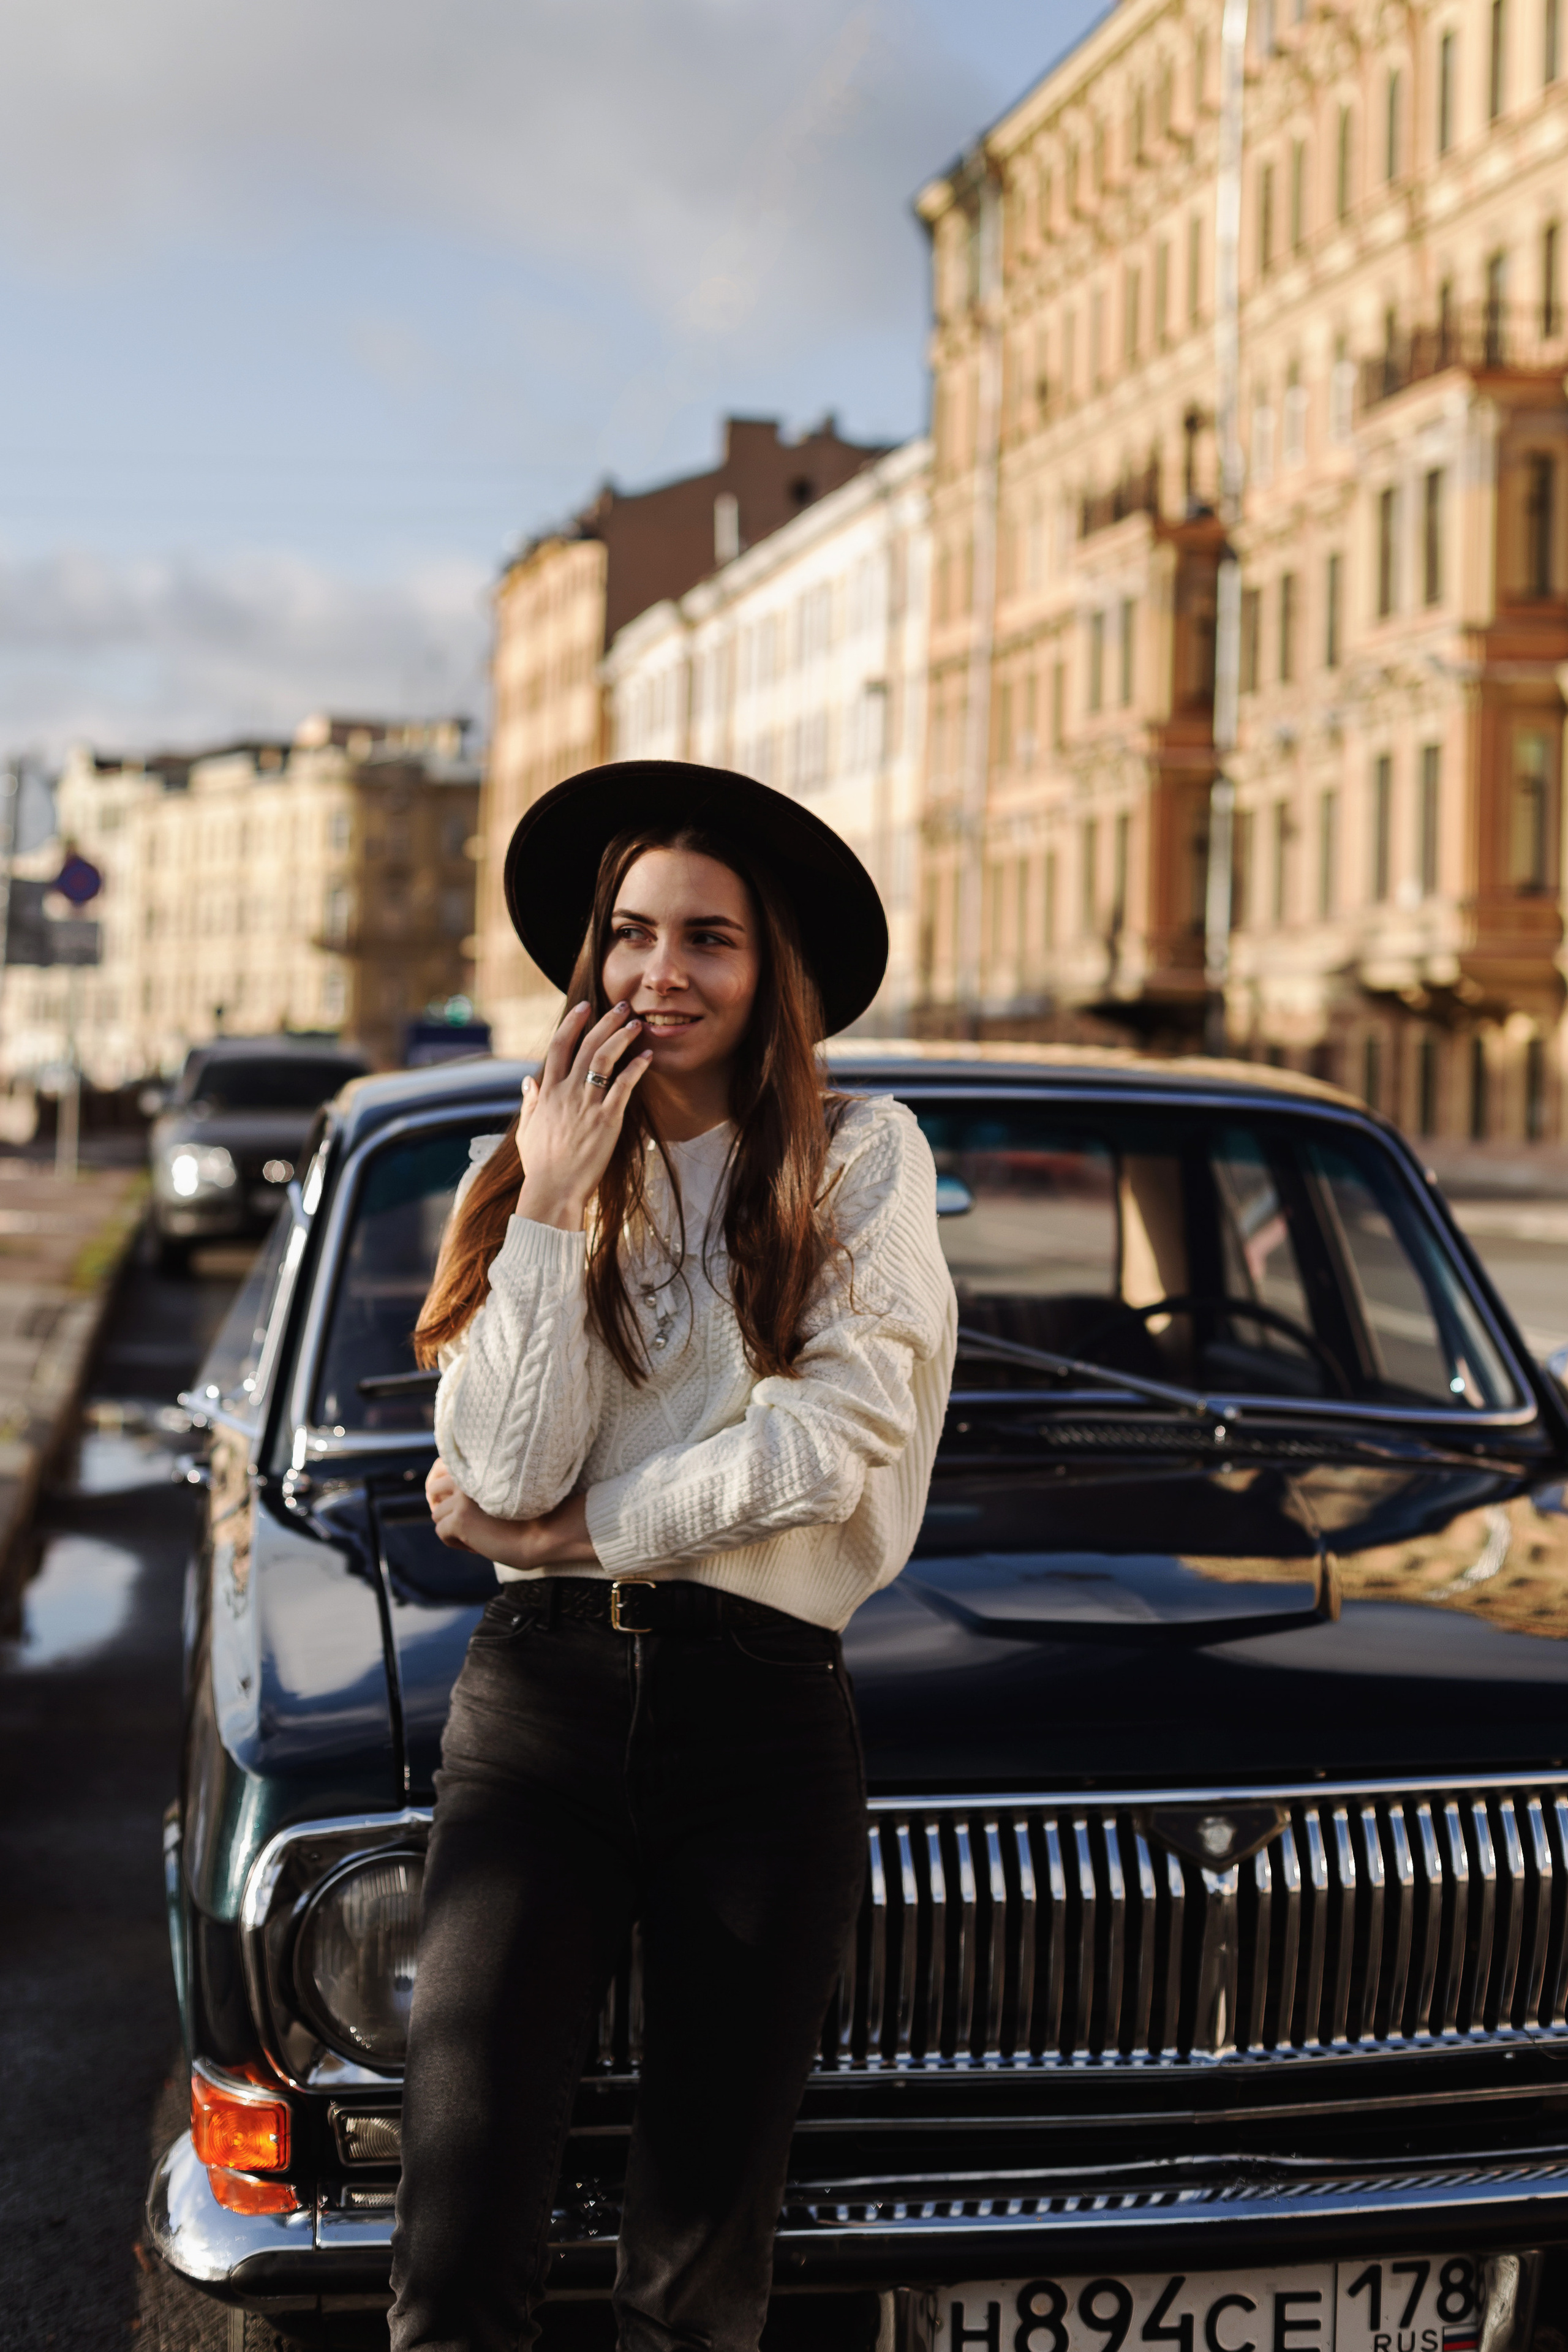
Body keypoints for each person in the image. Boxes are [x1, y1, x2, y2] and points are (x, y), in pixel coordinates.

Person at [389, 760, 957, 2352]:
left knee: (700, 2266)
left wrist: (583, 1534)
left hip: (762, 1722)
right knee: (459, 2235)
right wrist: (560, 1200)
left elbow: (828, 1441)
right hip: (538, 1720)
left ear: (771, 968)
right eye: (632, 933)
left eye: (709, 937)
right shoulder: (529, 1170)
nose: (662, 971)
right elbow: (494, 1463)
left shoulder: (861, 1159)